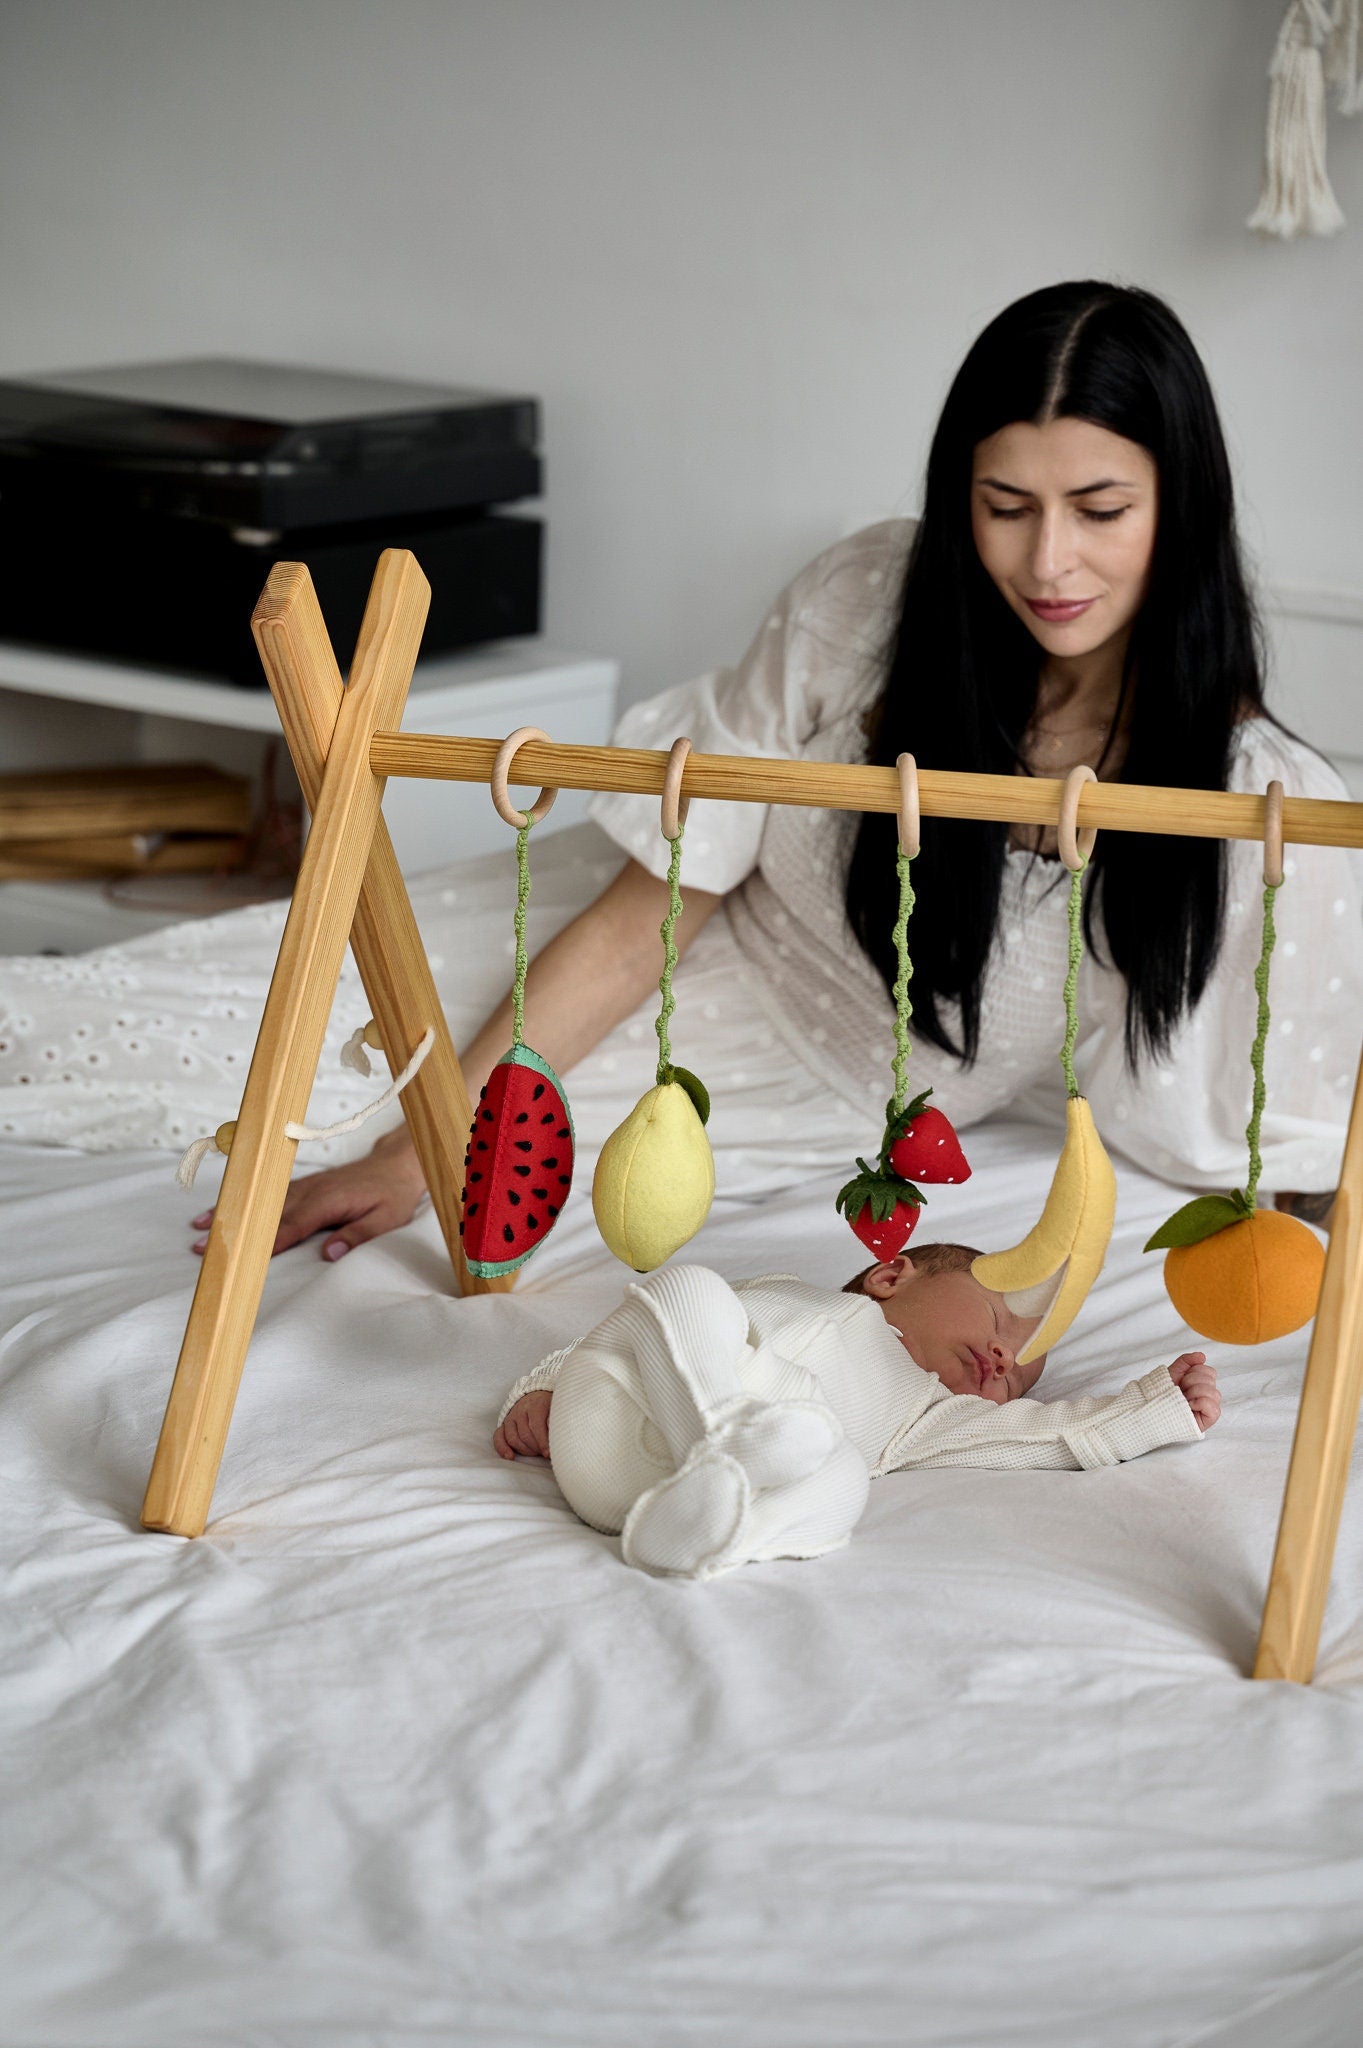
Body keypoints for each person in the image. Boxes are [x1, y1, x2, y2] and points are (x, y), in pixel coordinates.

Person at [191, 278, 1363, 1265]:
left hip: (786, 1107)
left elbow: (1254, 1146)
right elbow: (648, 909)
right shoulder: (867, 601)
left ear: (1181, 506)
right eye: (1005, 507)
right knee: (225, 1026)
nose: (1047, 560)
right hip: (609, 965)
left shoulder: (1257, 809)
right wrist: (426, 1138)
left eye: (1099, 510)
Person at [490, 1246, 1220, 1581]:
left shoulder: (924, 1415)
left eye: (1016, 1374)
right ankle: (722, 1432)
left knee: (843, 1480)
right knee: (689, 1289)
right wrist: (545, 1388)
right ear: (889, 1273)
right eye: (1000, 1320)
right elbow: (632, 1327)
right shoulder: (788, 1291)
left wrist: (1150, 1411)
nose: (1003, 1357)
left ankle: (707, 1537)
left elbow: (1048, 1435)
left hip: (648, 1497)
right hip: (612, 1429)